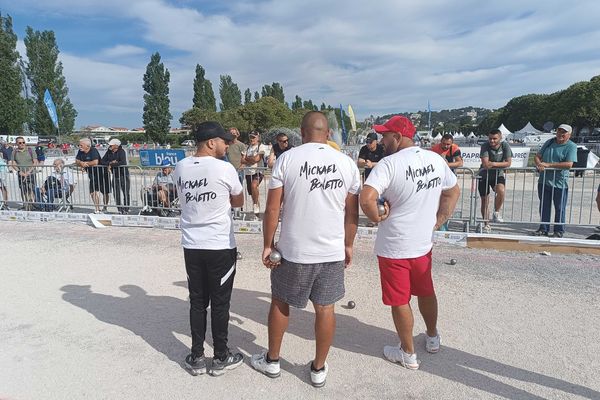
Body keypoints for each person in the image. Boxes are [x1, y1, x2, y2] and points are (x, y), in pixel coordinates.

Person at [250, 111, 360, 388]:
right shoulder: (346, 163)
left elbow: (273, 207)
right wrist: (348, 244)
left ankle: (273, 361)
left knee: (280, 302)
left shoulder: (288, 158)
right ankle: (318, 368)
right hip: (331, 251)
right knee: (325, 309)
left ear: (302, 131)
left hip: (293, 250)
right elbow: (352, 214)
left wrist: (267, 244)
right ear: (329, 134)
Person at [359, 115, 460, 370]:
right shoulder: (435, 159)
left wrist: (377, 216)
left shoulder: (389, 164)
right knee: (426, 291)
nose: (382, 140)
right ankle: (433, 337)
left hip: (394, 245)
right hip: (422, 243)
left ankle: (408, 353)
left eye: (385, 136)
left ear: (397, 137)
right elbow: (453, 189)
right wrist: (440, 218)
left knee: (399, 300)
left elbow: (367, 198)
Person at [173, 121, 245, 376]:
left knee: (197, 301)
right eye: (224, 141)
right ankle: (221, 357)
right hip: (219, 244)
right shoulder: (224, 168)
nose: (227, 144)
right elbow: (239, 200)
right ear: (211, 142)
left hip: (192, 244)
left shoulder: (180, 167)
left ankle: (196, 356)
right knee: (220, 303)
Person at [532, 124, 577, 238]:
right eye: (559, 131)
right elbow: (537, 156)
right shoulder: (549, 142)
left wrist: (548, 165)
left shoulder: (571, 146)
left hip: (560, 182)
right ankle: (543, 228)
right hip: (544, 181)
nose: (560, 134)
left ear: (569, 135)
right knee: (544, 206)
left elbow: (569, 164)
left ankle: (559, 230)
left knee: (559, 208)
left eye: (564, 132)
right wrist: (539, 164)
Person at [478, 129, 512, 233]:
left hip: (498, 174)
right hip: (484, 175)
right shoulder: (485, 146)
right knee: (485, 200)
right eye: (490, 138)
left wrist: (493, 164)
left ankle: (496, 212)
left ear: (500, 138)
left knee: (501, 191)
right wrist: (498, 164)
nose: (492, 141)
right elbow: (485, 164)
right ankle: (486, 224)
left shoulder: (505, 146)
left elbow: (508, 163)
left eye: (494, 139)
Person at [76, 138, 110, 214]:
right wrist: (81, 163)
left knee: (104, 192)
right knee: (92, 192)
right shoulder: (80, 151)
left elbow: (95, 162)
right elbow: (77, 161)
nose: (79, 147)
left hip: (102, 173)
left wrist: (85, 164)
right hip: (92, 174)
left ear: (87, 146)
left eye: (81, 145)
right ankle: (97, 208)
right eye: (79, 145)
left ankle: (105, 207)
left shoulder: (93, 150)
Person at [9, 136, 39, 211]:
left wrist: (29, 171)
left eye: (23, 142)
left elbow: (35, 162)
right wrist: (19, 171)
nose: (22, 144)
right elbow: (13, 163)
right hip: (21, 174)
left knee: (31, 189)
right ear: (17, 143)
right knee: (23, 190)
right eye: (20, 143)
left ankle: (32, 205)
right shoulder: (14, 152)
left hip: (31, 173)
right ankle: (25, 205)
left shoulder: (30, 150)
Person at [102, 138, 130, 214]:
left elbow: (122, 162)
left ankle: (126, 209)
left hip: (123, 174)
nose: (110, 146)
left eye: (111, 144)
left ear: (116, 145)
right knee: (116, 192)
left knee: (125, 192)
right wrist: (111, 162)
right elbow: (102, 161)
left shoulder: (122, 151)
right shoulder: (109, 151)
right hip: (115, 174)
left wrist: (112, 164)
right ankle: (119, 209)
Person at [242, 131, 265, 218]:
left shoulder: (260, 146)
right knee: (253, 193)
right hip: (249, 172)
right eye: (251, 137)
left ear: (258, 138)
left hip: (258, 171)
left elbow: (257, 159)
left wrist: (247, 158)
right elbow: (242, 160)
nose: (252, 139)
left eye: (254, 137)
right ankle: (257, 213)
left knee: (254, 186)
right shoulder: (247, 147)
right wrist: (250, 159)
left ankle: (255, 205)